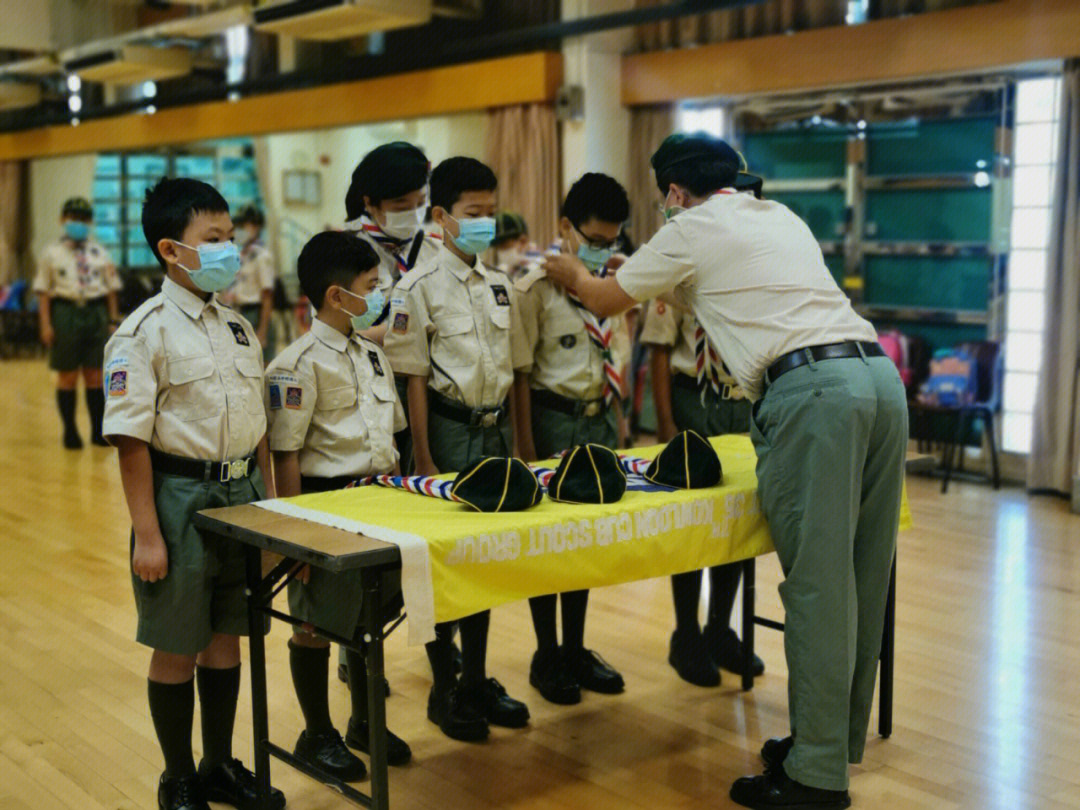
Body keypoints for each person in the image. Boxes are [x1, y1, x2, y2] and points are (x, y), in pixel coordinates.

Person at [543, 132, 907, 810]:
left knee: (818, 588)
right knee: (861, 574)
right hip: (876, 379)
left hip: (814, 397)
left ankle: (816, 777)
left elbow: (598, 301)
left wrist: (572, 273)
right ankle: (827, 741)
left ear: (675, 193)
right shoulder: (776, 217)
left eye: (663, 202)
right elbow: (730, 296)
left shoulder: (689, 228)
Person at [101, 178, 286, 810]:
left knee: (226, 636)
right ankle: (177, 776)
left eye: (231, 240)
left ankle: (218, 764)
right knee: (177, 642)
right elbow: (131, 443)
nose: (229, 252)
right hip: (179, 501)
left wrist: (272, 510)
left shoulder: (237, 328)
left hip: (242, 496)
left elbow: (259, 427)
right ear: (171, 250)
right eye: (214, 240)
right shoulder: (141, 332)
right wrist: (147, 534)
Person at [383, 156, 529, 742]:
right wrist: (422, 457)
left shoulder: (499, 286)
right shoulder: (415, 287)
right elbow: (413, 378)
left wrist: (520, 444)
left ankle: (476, 680)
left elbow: (516, 373)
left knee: (484, 561)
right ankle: (445, 688)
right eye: (473, 214)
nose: (484, 224)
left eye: (491, 214)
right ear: (441, 217)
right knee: (441, 564)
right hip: (445, 432)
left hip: (494, 434)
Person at [266, 231, 412, 777]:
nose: (381, 295)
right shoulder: (297, 364)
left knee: (368, 617)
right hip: (326, 505)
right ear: (335, 295)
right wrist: (294, 536)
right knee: (314, 622)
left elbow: (391, 437)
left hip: (379, 501)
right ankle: (317, 733)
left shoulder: (372, 356)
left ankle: (364, 720)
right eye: (371, 287)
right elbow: (286, 455)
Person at [511, 173, 630, 706]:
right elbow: (519, 374)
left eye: (612, 242)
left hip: (597, 419)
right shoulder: (535, 290)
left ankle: (577, 647)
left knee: (584, 541)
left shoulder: (612, 288)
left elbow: (617, 357)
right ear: (565, 228)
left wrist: (619, 424)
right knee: (547, 543)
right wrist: (524, 446)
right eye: (594, 241)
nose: (603, 252)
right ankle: (546, 652)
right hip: (551, 420)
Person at [640, 299, 765, 687]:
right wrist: (664, 423)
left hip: (740, 400)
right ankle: (686, 634)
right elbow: (659, 350)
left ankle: (719, 629)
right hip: (692, 397)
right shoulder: (680, 272)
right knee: (691, 522)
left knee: (737, 516)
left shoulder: (748, 270)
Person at [34, 196, 122, 448]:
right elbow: (43, 291)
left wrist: (112, 320)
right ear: (63, 219)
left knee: (95, 376)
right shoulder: (52, 253)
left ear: (90, 222)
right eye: (73, 218)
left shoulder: (99, 252)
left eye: (84, 219)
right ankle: (70, 431)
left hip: (95, 312)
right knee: (68, 376)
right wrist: (45, 325)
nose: (78, 223)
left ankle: (97, 431)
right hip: (65, 311)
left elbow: (110, 289)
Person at [223, 204, 276, 361]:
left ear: (255, 227)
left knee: (259, 366)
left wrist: (263, 331)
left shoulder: (262, 256)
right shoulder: (243, 255)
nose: (238, 231)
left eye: (242, 226)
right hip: (240, 313)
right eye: (237, 227)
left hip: (256, 315)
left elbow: (267, 295)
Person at [493, 211, 537, 279]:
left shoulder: (539, 270)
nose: (501, 251)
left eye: (504, 246)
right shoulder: (502, 272)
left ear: (523, 241)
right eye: (498, 247)